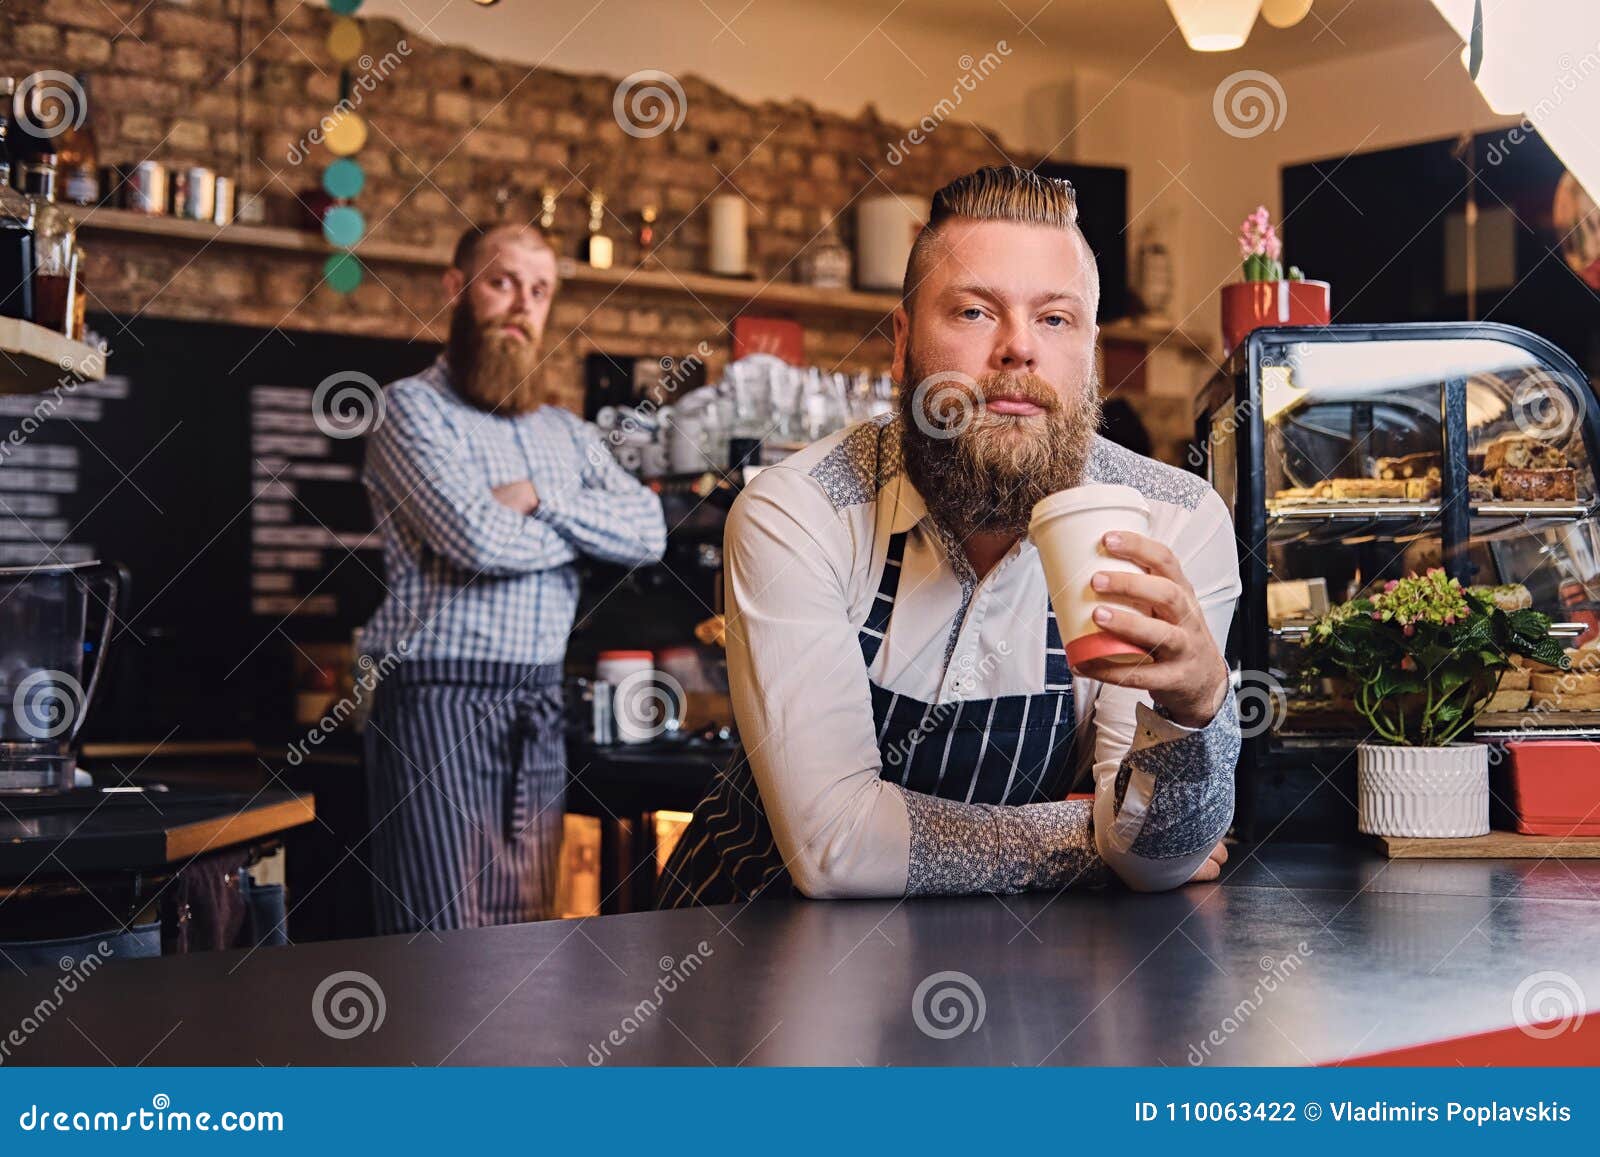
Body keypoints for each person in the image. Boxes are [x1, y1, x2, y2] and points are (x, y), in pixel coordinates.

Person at [659, 165, 1238, 906]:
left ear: (1089, 356)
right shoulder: (799, 511)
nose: (1018, 349)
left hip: (1008, 982)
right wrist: (1084, 840)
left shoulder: (1173, 519)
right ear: (902, 344)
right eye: (973, 313)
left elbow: (1154, 858)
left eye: (1055, 319)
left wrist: (1199, 709)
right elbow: (833, 847)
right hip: (742, 949)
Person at [360, 222, 667, 933]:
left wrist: (537, 497)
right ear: (457, 288)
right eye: (502, 283)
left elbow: (648, 533)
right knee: (436, 945)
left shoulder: (566, 435)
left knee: (523, 946)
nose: (522, 306)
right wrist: (583, 538)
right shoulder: (410, 409)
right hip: (436, 702)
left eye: (539, 290)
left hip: (536, 701)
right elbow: (476, 537)